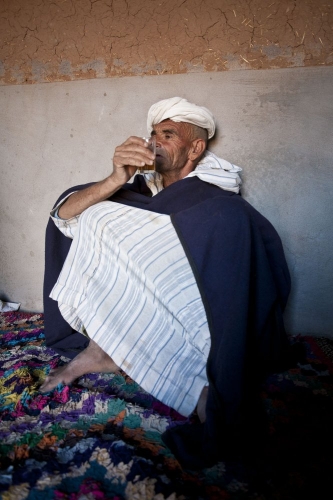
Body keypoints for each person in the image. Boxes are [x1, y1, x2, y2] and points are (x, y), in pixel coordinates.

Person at [42, 97, 292, 468]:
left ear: (195, 148)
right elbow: (65, 215)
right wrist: (115, 178)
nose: (156, 141)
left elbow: (240, 254)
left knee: (217, 227)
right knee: (94, 215)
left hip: (193, 306)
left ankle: (203, 386)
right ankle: (100, 350)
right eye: (153, 133)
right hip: (140, 293)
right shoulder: (139, 189)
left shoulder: (216, 199)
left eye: (169, 134)